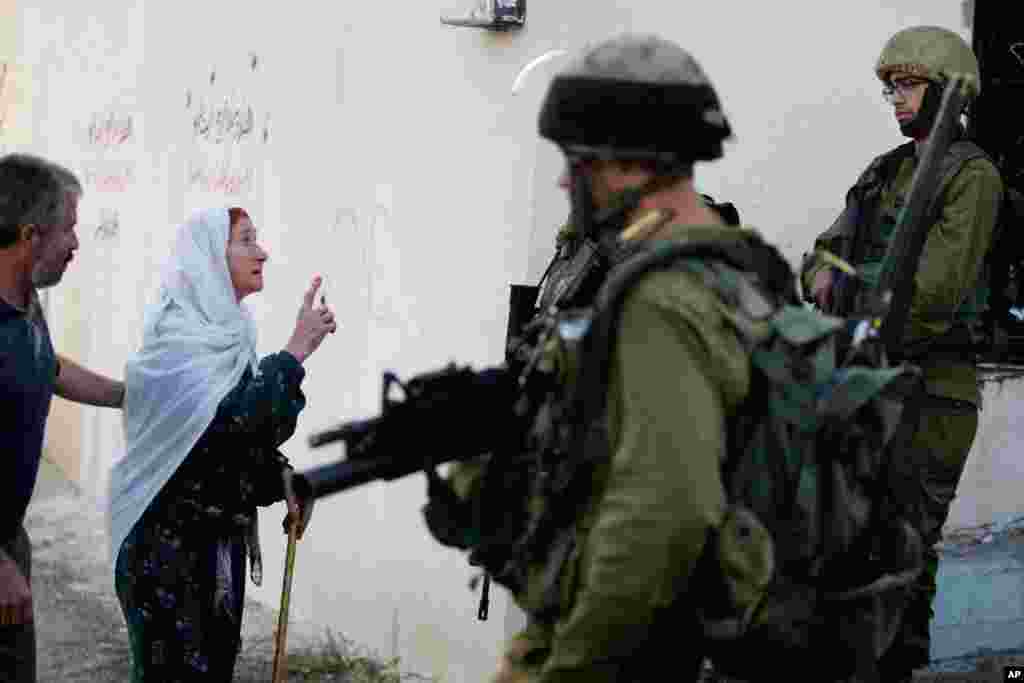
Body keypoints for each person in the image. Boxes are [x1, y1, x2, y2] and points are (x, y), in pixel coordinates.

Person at [428, 33, 794, 682]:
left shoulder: (661, 299)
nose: (568, 180)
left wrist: (569, 667)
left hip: (644, 646)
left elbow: (660, 517)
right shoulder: (733, 261)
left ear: (626, 165)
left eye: (579, 161)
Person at [800, 26, 1003, 682]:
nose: (895, 98)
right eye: (891, 87)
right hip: (867, 379)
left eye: (909, 84)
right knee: (849, 554)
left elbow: (934, 294)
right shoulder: (885, 171)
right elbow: (822, 256)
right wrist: (827, 279)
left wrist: (856, 317)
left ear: (946, 91)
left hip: (928, 391)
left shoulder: (971, 176)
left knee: (904, 555)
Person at [107, 206, 335, 681]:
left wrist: (282, 477)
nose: (263, 252)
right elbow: (227, 432)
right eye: (247, 240)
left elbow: (236, 446)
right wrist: (293, 354)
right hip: (165, 554)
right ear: (209, 257)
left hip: (212, 552)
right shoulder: (177, 345)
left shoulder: (231, 335)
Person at [1, 154, 125, 682]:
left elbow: (47, 367)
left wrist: (127, 395)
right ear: (30, 234)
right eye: (68, 229)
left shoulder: (26, 303)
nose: (76, 244)